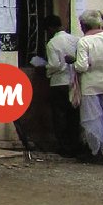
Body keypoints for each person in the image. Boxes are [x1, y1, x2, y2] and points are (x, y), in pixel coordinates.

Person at [71, 10, 103, 159]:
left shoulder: (84, 41)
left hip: (90, 86)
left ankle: (96, 152)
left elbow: (82, 66)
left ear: (83, 26)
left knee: (92, 119)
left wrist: (72, 62)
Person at [42, 15, 81, 157]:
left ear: (51, 28)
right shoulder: (75, 39)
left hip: (58, 83)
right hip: (74, 82)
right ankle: (75, 145)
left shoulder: (52, 43)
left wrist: (46, 69)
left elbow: (54, 65)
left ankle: (64, 147)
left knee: (60, 116)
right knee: (73, 115)